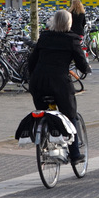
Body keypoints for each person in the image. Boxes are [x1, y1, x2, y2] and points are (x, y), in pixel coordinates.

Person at [28, 10, 91, 165]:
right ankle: (75, 154)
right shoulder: (72, 40)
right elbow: (82, 64)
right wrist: (86, 70)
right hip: (59, 84)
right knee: (71, 116)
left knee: (43, 113)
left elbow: (32, 61)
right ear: (69, 23)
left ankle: (44, 140)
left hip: (39, 83)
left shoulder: (44, 37)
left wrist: (32, 76)